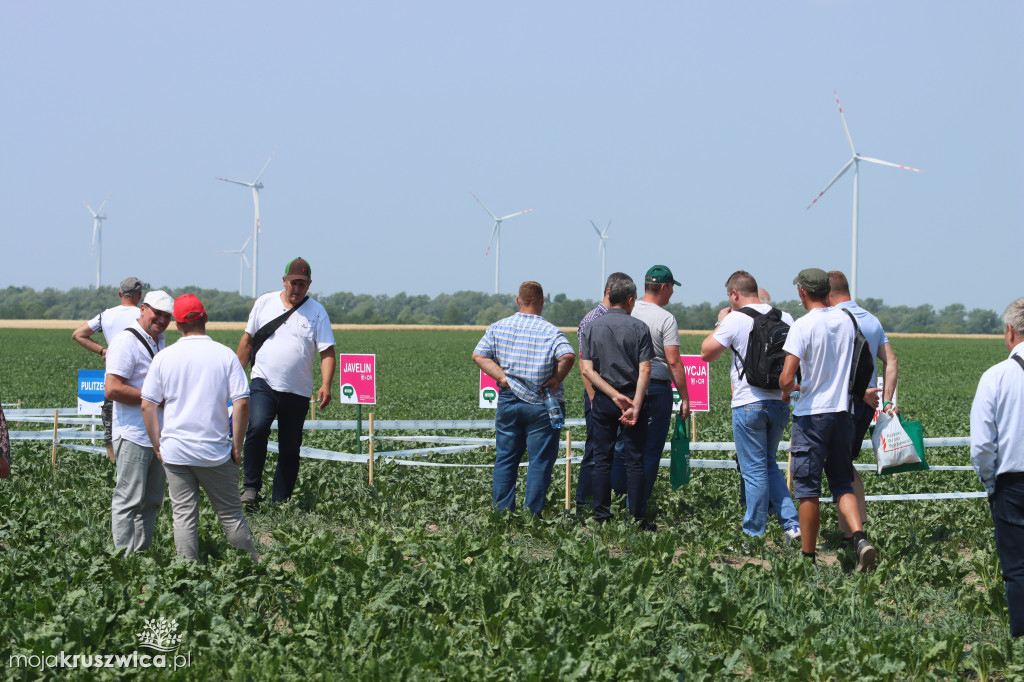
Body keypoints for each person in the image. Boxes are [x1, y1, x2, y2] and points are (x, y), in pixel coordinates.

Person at [141, 294, 258, 563]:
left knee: (183, 516)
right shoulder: (225, 356)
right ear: (205, 318)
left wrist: (158, 444)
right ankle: (251, 568)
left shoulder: (164, 358)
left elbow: (148, 406)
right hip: (215, 451)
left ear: (177, 324)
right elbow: (241, 403)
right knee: (230, 515)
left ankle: (187, 573)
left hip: (175, 452)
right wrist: (237, 445)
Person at [779, 268, 875, 571]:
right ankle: (859, 538)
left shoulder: (803, 325)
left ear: (802, 292)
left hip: (811, 417)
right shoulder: (847, 321)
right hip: (843, 413)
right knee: (842, 481)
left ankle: (808, 558)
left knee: (808, 488)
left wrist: (788, 390)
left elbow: (785, 376)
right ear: (827, 292)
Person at [700, 271, 801, 542]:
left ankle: (753, 533)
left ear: (735, 294)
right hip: (779, 401)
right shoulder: (786, 317)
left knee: (754, 469)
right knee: (769, 464)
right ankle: (792, 525)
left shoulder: (735, 318)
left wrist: (721, 323)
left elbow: (706, 353)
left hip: (748, 403)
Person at [237, 257, 336, 507]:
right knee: (257, 428)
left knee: (290, 447)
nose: (297, 288)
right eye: (293, 283)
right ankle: (250, 490)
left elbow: (327, 352)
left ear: (309, 284)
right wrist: (236, 377)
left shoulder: (317, 312)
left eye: (302, 284)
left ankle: (281, 500)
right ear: (284, 281)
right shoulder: (265, 303)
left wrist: (326, 384)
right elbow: (247, 341)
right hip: (264, 382)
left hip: (298, 390)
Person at [473, 281, 575, 516]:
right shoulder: (551, 331)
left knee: (506, 459)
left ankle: (503, 513)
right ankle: (532, 515)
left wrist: (502, 377)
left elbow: (479, 355)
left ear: (518, 301)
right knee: (539, 462)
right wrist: (556, 379)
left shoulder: (499, 327)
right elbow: (568, 356)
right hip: (542, 403)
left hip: (509, 400)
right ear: (542, 301)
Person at [610, 265, 691, 520]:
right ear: (665, 287)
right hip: (655, 387)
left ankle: (616, 500)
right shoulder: (665, 318)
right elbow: (674, 361)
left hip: (623, 386)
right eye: (672, 289)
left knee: (622, 446)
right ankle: (638, 509)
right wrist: (685, 397)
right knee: (650, 449)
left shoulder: (626, 310)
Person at [827, 271, 898, 544]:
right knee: (844, 463)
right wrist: (888, 400)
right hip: (870, 402)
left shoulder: (836, 319)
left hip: (844, 401)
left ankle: (853, 534)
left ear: (829, 294)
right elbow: (891, 361)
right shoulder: (872, 319)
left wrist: (857, 389)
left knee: (838, 464)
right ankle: (855, 528)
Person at [579, 273, 653, 527]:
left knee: (602, 459)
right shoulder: (640, 328)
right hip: (633, 398)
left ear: (609, 295)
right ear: (631, 299)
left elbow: (587, 370)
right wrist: (635, 404)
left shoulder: (591, 327)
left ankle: (601, 515)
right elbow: (645, 370)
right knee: (634, 460)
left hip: (603, 399)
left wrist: (611, 395)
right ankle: (637, 516)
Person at [970, 297, 1024, 637]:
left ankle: (1020, 644)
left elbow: (982, 446)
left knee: (1018, 568)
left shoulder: (997, 376)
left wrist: (991, 482)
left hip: (1012, 483)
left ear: (1009, 332)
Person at [104, 290, 173, 554]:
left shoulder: (160, 341)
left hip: (157, 435)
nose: (162, 319)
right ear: (142, 309)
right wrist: (153, 399)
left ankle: (142, 554)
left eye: (167, 316)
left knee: (152, 500)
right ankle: (124, 557)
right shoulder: (126, 341)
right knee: (129, 499)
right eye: (157, 313)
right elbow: (112, 389)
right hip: (133, 433)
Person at [72, 276, 144, 462]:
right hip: (140, 381)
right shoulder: (143, 316)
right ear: (140, 296)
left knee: (110, 427)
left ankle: (114, 465)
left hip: (112, 379)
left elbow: (78, 334)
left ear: (120, 294)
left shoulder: (106, 315)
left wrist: (103, 350)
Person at [574, 278, 613, 509]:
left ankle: (606, 498)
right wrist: (591, 396)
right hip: (597, 393)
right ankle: (585, 499)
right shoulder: (591, 319)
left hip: (611, 393)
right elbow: (584, 364)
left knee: (613, 449)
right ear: (609, 291)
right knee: (595, 448)